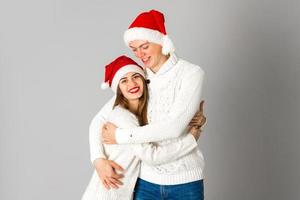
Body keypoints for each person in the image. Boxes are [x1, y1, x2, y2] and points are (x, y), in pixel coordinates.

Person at [97, 10, 207, 200]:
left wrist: (120, 136)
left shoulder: (191, 73)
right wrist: (98, 160)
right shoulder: (139, 78)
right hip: (145, 182)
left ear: (161, 42)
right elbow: (99, 119)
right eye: (134, 49)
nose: (140, 54)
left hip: (185, 183)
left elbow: (173, 127)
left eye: (144, 46)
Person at [82, 56, 202, 200]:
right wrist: (98, 160)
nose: (131, 83)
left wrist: (196, 119)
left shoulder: (140, 110)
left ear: (145, 79)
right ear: (118, 90)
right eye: (124, 81)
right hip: (106, 194)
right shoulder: (124, 118)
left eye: (136, 76)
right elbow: (151, 156)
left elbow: (174, 120)